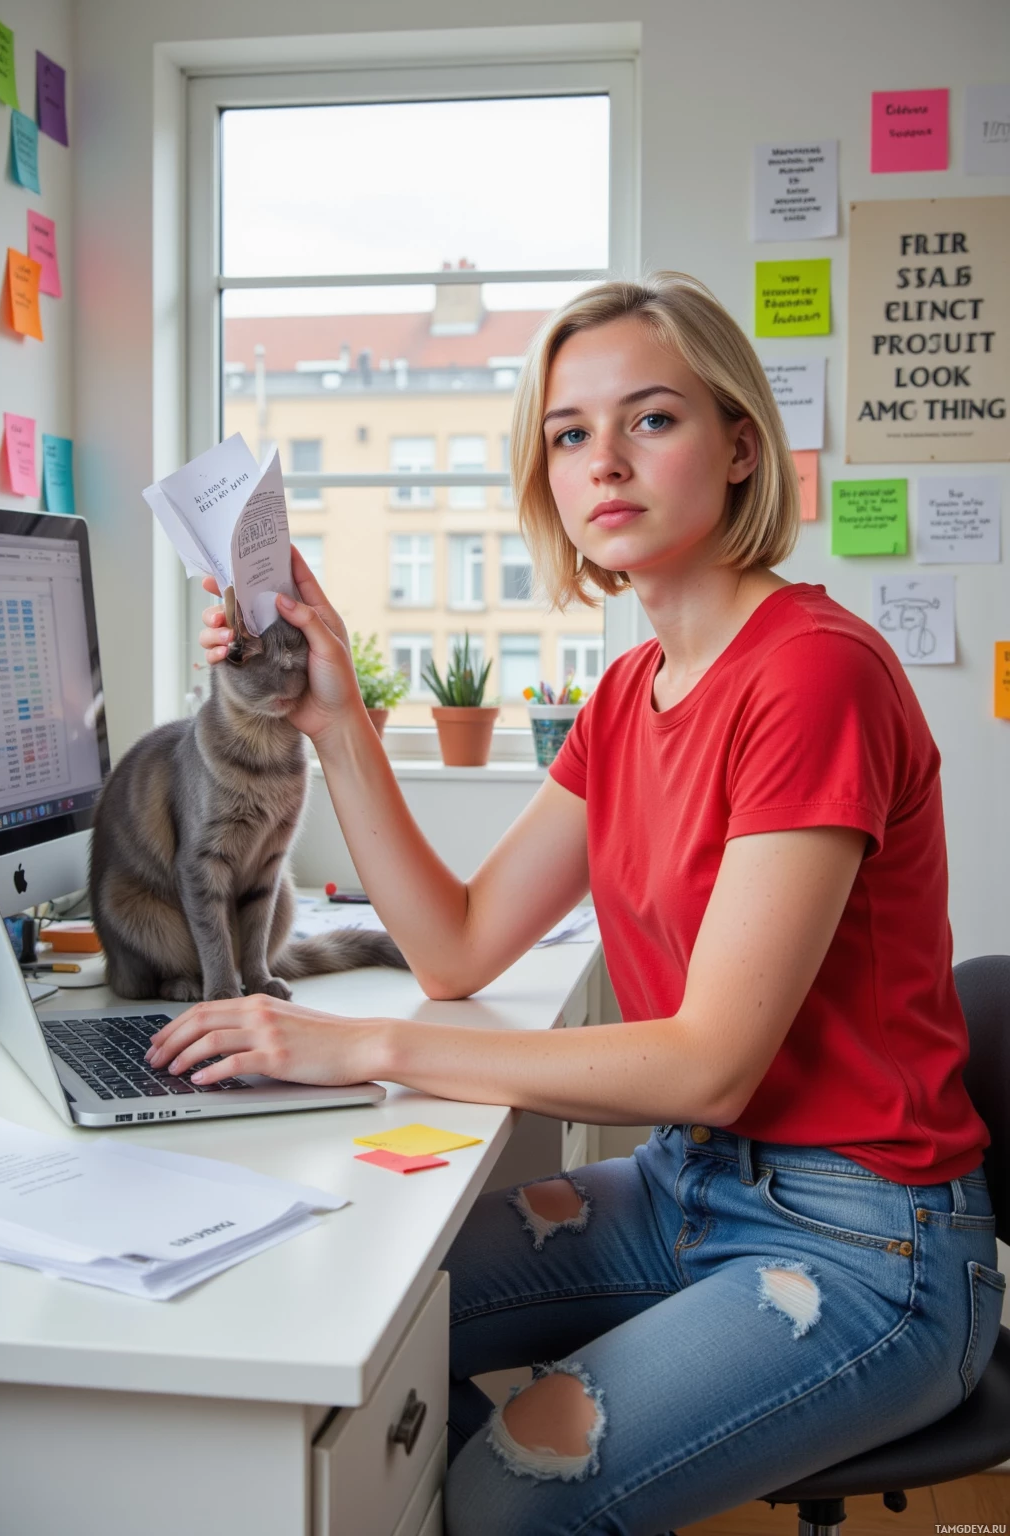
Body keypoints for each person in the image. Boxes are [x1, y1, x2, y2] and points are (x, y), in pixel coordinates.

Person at [148, 273, 1004, 1536]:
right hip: (689, 1189)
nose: (602, 460)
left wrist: (357, 1047)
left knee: (503, 1501)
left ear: (738, 447)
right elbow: (452, 947)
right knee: (371, 1305)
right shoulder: (628, 694)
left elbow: (710, 1065)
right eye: (567, 433)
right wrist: (336, 720)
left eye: (649, 420)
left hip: (866, 1246)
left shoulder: (813, 677)